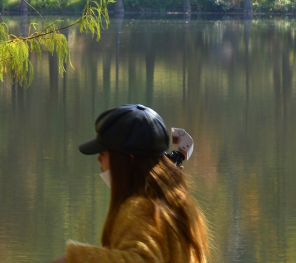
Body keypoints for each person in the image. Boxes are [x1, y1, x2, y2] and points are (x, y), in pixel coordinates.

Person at [50, 104, 208, 263]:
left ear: (130, 159)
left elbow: (140, 259)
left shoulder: (139, 208)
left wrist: (74, 259)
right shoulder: (178, 204)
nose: (98, 160)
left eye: (103, 153)